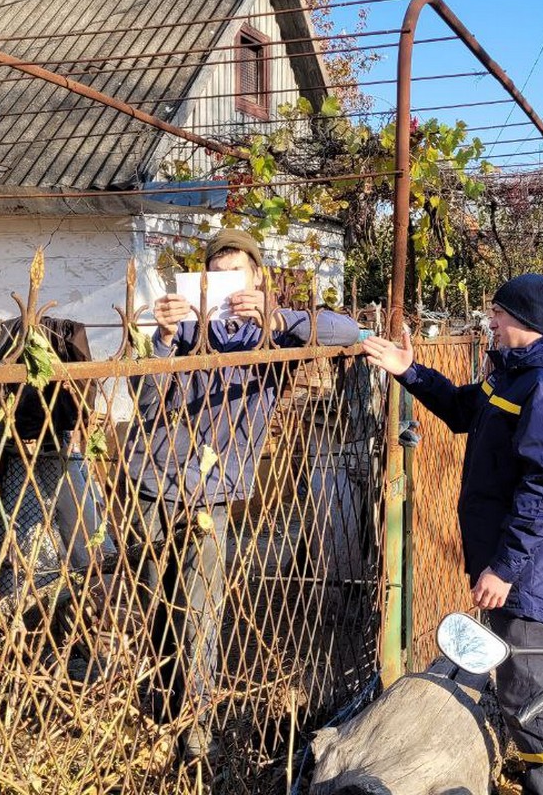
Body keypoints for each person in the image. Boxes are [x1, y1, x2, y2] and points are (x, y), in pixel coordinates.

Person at [124, 229, 360, 769]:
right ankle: (163, 707)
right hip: (151, 478)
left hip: (211, 492)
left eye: (237, 273)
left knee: (201, 612)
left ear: (257, 277)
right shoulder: (185, 326)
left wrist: (275, 317)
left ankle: (197, 736)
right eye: (216, 273)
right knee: (156, 605)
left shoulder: (274, 337)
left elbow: (350, 331)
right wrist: (161, 337)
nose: (227, 283)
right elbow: (144, 398)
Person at [363, 273, 543, 795]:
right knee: (535, 679)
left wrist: (505, 568)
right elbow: (465, 409)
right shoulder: (517, 375)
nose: (489, 320)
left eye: (497, 312)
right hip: (518, 561)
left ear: (523, 320)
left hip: (527, 568)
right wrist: (411, 373)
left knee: (527, 693)